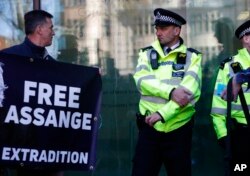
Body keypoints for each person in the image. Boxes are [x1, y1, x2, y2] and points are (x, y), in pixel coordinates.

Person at [132, 8, 202, 176]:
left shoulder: (193, 57)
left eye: (163, 28)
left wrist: (162, 114)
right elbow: (142, 82)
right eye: (157, 28)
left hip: (178, 130)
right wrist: (171, 92)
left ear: (177, 30)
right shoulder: (146, 54)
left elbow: (189, 94)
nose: (158, 33)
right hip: (149, 128)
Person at [0, 10, 63, 176]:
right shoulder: (6, 60)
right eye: (51, 28)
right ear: (40, 29)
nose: (54, 32)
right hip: (15, 151)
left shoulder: (54, 67)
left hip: (48, 152)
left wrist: (90, 78)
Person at [211, 20, 250, 175]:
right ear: (246, 38)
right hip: (242, 138)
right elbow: (218, 108)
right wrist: (224, 138)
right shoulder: (229, 67)